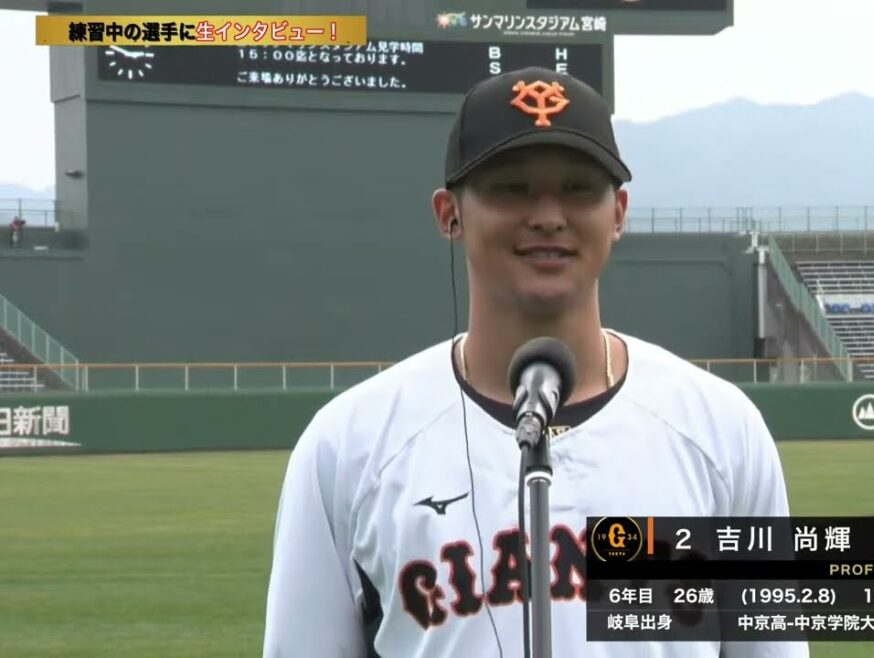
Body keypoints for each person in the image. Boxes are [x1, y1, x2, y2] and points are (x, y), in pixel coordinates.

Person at [262, 67, 807, 658]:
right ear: (449, 213)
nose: (549, 215)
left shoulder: (721, 431)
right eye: (511, 188)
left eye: (579, 188)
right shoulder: (350, 445)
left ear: (618, 212)